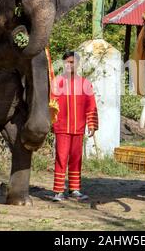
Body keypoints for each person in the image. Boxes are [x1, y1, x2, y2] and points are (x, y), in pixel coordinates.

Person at [51, 51, 98, 202]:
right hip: (62, 127)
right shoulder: (57, 82)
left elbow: (91, 105)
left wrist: (91, 124)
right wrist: (51, 120)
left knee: (76, 159)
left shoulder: (85, 83)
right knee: (61, 157)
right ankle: (58, 191)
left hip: (78, 128)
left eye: (73, 62)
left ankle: (74, 189)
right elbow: (51, 104)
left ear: (78, 64)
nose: (70, 65)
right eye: (67, 62)